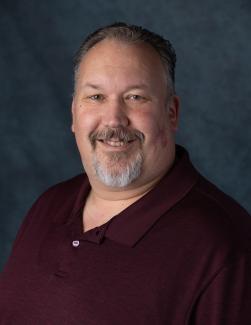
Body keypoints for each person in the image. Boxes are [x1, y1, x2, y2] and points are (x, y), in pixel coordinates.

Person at [0, 22, 250, 325]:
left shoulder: (227, 248)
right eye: (95, 97)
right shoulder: (49, 204)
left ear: (171, 113)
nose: (114, 119)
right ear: (74, 115)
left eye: (135, 97)